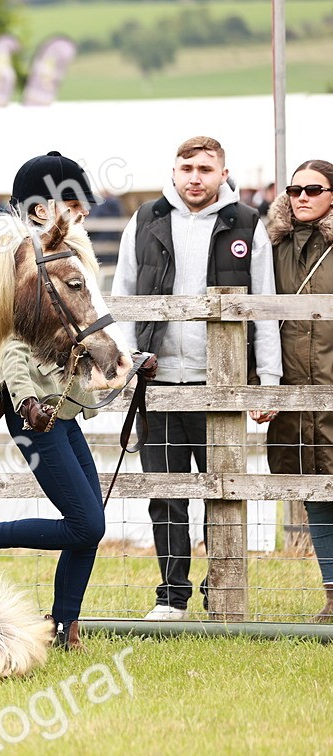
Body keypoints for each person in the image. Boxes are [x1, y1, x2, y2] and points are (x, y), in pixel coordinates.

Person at [0, 151, 152, 650]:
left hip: (63, 407)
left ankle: (64, 626)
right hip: (36, 415)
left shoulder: (64, 253)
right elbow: (14, 345)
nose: (83, 213)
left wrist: (124, 361)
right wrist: (23, 405)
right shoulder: (24, 262)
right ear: (44, 209)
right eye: (74, 204)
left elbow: (87, 326)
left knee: (89, 525)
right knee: (86, 523)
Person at [112, 136, 282, 620]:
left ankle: (220, 591)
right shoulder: (145, 220)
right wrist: (128, 361)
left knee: (221, 492)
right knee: (165, 494)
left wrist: (267, 379)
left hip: (220, 383)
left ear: (222, 173)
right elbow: (122, 295)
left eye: (206, 168)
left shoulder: (247, 224)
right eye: (187, 167)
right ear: (174, 169)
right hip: (158, 381)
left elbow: (265, 307)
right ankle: (171, 597)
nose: (195, 177)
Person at [265, 160, 333, 622]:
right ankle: (332, 597)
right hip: (293, 392)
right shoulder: (270, 248)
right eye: (294, 189)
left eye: (313, 189)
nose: (302, 197)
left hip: (330, 386)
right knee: (314, 493)